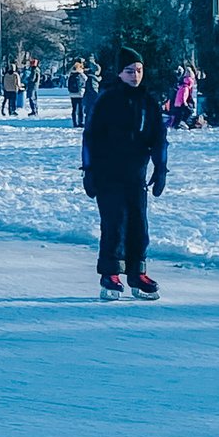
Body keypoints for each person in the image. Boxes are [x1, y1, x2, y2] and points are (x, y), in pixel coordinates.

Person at [81, 45, 168, 301]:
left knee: (139, 224)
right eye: (130, 71)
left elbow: (159, 138)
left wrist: (161, 168)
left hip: (135, 174)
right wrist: (89, 170)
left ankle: (137, 272)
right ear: (120, 73)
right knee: (114, 224)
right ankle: (111, 272)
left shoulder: (148, 102)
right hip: (108, 173)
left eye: (139, 70)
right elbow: (90, 137)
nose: (135, 75)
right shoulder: (107, 100)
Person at [66, 60, 87, 128]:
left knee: (74, 108)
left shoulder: (71, 75)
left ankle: (74, 122)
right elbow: (86, 79)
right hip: (80, 93)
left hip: (72, 94)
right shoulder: (81, 74)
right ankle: (80, 122)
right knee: (80, 109)